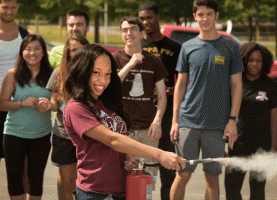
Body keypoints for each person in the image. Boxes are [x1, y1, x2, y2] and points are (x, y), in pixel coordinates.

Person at [62, 43, 185, 200]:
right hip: (96, 193)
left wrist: (128, 156)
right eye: (96, 73)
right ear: (82, 71)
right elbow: (112, 140)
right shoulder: (76, 108)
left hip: (121, 191)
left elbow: (119, 139)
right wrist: (160, 154)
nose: (103, 80)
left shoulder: (106, 102)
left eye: (108, 74)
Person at [169, 0, 244, 199]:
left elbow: (237, 86)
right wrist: (175, 120)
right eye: (200, 14)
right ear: (195, 17)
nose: (205, 18)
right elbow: (181, 84)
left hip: (217, 125)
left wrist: (232, 120)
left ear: (216, 15)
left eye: (209, 14)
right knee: (182, 174)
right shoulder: (187, 47)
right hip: (188, 122)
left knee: (212, 178)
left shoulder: (230, 47)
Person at [112, 16, 168, 192]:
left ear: (142, 33)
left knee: (147, 185)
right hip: (121, 131)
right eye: (125, 30)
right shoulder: (113, 59)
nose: (129, 33)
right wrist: (130, 64)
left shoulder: (154, 61)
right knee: (119, 182)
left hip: (147, 132)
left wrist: (157, 121)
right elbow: (110, 88)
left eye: (133, 29)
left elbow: (162, 96)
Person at [224, 42, 277, 200]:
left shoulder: (272, 86)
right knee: (232, 190)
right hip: (237, 145)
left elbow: (275, 119)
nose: (254, 64)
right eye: (250, 60)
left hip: (261, 148)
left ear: (264, 63)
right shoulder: (235, 83)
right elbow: (226, 115)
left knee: (257, 191)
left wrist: (273, 148)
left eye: (258, 61)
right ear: (243, 61)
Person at [0, 34, 53, 200]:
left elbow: (58, 101)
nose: (32, 53)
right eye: (28, 49)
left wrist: (49, 104)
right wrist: (22, 103)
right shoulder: (13, 74)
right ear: (22, 52)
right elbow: (2, 103)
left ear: (44, 52)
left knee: (35, 180)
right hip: (14, 135)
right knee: (14, 179)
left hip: (41, 136)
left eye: (37, 48)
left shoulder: (51, 75)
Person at [139, 2, 182, 199]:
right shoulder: (136, 46)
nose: (145, 22)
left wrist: (173, 90)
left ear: (157, 17)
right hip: (140, 113)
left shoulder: (174, 48)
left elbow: (184, 81)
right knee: (141, 167)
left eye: (149, 17)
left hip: (165, 114)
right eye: (142, 18)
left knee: (167, 167)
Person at [46, 33, 89, 200]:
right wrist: (48, 105)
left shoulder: (94, 72)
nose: (76, 53)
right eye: (72, 50)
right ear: (68, 52)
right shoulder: (60, 72)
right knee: (68, 182)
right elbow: (54, 102)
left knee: (86, 182)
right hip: (63, 134)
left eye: (80, 49)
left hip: (88, 135)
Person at [0, 0, 34, 162]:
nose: (9, 11)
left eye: (13, 7)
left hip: (18, 106)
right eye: (5, 7)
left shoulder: (25, 34)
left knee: (22, 161)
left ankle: (24, 189)